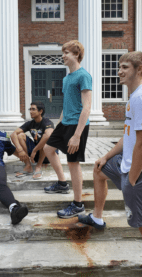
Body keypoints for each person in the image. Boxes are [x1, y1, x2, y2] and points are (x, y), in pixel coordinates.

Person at [77, 51, 142, 277]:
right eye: (119, 66)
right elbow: (129, 136)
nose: (119, 71)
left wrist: (132, 180)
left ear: (140, 70)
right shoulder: (135, 96)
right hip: (128, 164)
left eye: (125, 67)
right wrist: (106, 156)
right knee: (99, 170)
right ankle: (97, 216)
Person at [43, 40, 92, 218]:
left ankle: (78, 204)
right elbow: (67, 103)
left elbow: (86, 107)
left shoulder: (83, 76)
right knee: (48, 148)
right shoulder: (66, 78)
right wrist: (59, 125)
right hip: (65, 123)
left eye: (67, 52)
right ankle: (62, 184)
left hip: (77, 125)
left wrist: (77, 136)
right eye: (63, 52)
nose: (63, 56)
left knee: (73, 162)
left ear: (77, 54)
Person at [11, 101, 56, 179]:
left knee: (44, 139)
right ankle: (28, 166)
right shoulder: (30, 123)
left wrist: (34, 150)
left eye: (33, 109)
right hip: (34, 154)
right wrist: (20, 150)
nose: (30, 111)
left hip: (47, 154)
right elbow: (13, 134)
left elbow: (48, 136)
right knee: (20, 135)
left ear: (40, 111)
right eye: (30, 109)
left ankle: (38, 166)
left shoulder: (47, 122)